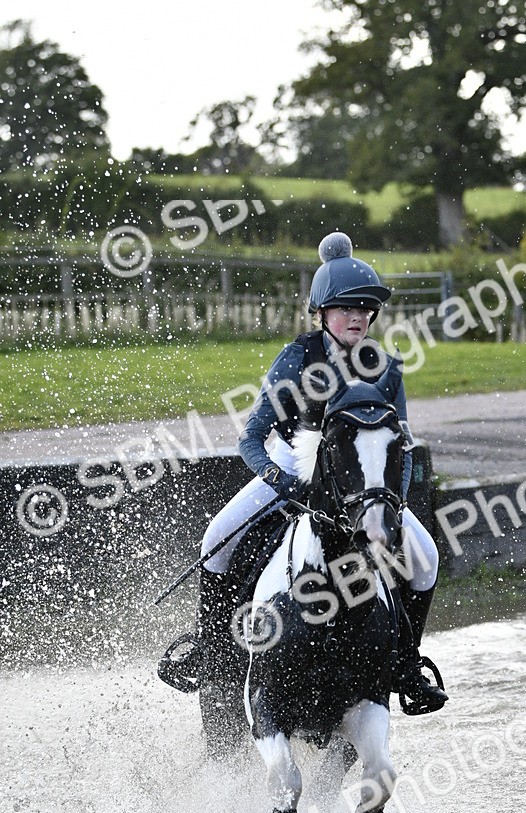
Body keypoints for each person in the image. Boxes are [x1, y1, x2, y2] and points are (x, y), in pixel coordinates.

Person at [160, 232, 447, 716]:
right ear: (322, 313)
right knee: (216, 540)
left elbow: (402, 445)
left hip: (363, 488)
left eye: (366, 308)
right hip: (292, 471)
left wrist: (393, 503)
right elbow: (250, 439)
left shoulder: (386, 369)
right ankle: (212, 651)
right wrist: (280, 480)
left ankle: (407, 666)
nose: (358, 317)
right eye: (346, 308)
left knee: (427, 560)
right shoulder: (296, 359)